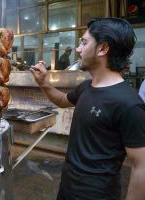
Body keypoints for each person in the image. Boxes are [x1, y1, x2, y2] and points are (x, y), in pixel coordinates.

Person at [30, 17, 145, 200]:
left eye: (84, 42)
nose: (78, 49)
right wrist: (43, 82)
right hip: (68, 188)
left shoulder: (129, 104)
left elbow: (141, 167)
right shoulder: (86, 87)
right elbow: (61, 100)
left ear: (102, 49)